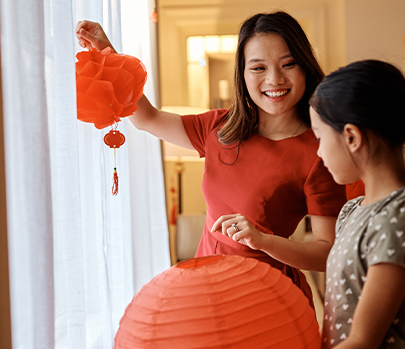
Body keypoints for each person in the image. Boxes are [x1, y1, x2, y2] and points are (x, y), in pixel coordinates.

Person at [210, 60, 405, 349]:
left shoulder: (402, 219)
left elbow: (362, 344)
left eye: (320, 138)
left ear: (351, 137)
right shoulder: (354, 210)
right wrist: (263, 241)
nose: (319, 153)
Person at [75, 12, 346, 302]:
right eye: (258, 68)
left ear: (304, 67)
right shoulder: (221, 127)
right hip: (206, 288)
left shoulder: (320, 151)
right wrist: (106, 51)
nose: (274, 79)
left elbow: (327, 251)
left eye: (288, 64)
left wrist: (265, 241)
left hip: (264, 297)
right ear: (242, 74)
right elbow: (148, 118)